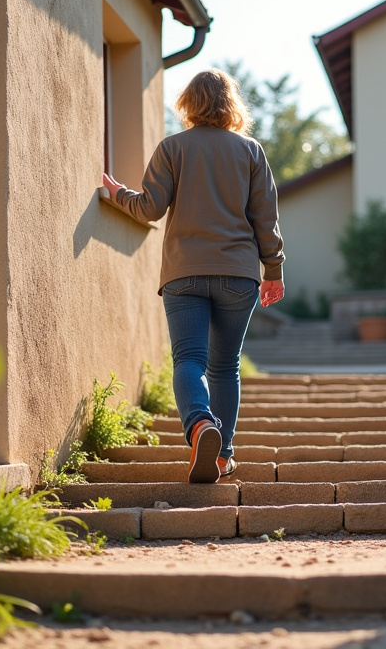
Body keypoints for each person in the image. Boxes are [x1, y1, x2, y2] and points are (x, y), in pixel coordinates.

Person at [103, 69, 284, 484]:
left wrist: (117, 193)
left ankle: (201, 424)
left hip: (184, 273)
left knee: (189, 360)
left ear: (188, 103)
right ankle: (222, 457)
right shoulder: (251, 151)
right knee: (225, 366)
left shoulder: (172, 148)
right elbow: (266, 218)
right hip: (238, 275)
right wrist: (273, 269)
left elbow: (149, 208)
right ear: (231, 104)